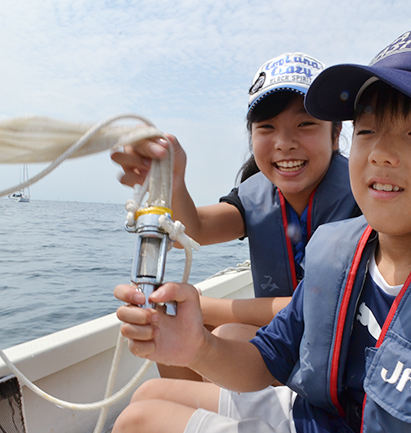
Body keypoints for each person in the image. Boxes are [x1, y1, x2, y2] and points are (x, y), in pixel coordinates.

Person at [112, 29, 411, 433]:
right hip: (319, 410)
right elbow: (262, 355)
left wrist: (206, 309)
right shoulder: (340, 247)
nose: (380, 153)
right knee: (146, 403)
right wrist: (197, 347)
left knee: (145, 416)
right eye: (368, 130)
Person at [112, 53, 358, 380]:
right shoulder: (254, 194)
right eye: (267, 127)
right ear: (251, 136)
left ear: (336, 131)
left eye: (306, 124)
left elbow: (319, 306)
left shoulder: (364, 197)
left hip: (340, 348)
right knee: (167, 325)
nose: (284, 143)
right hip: (285, 340)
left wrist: (204, 304)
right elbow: (196, 229)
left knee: (226, 332)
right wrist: (172, 181)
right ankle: (193, 410)